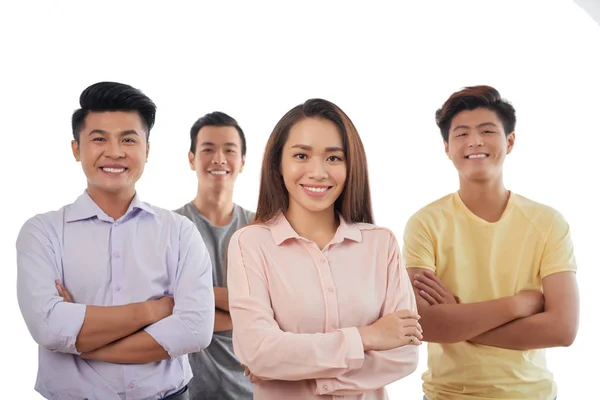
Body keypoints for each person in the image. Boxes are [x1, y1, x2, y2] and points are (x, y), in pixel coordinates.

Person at [16, 81, 215, 400]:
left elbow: (194, 330)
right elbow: (49, 328)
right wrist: (152, 312)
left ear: (147, 151)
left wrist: (80, 338)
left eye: (128, 139)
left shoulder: (179, 232)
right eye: (99, 139)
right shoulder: (42, 232)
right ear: (76, 149)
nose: (114, 152)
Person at [226, 98, 421, 400]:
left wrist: (294, 368)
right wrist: (368, 337)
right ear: (278, 163)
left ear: (350, 164)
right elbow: (259, 351)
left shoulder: (381, 244)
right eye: (301, 155)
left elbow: (404, 354)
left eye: (333, 158)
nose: (318, 172)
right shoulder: (250, 243)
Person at [402, 85, 579, 400]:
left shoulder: (548, 223)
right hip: (447, 395)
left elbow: (563, 329)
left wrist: (457, 317)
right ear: (446, 147)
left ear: (509, 141)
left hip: (532, 394)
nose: (474, 141)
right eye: (461, 134)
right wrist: (516, 305)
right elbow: (424, 325)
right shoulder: (425, 223)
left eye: (486, 130)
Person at [174, 111, 254, 400]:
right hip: (184, 392)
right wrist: (248, 310)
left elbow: (282, 309)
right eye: (208, 149)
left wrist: (194, 300)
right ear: (191, 158)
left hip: (253, 391)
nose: (219, 158)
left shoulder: (261, 230)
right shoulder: (170, 229)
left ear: (242, 161)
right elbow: (159, 310)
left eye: (229, 150)